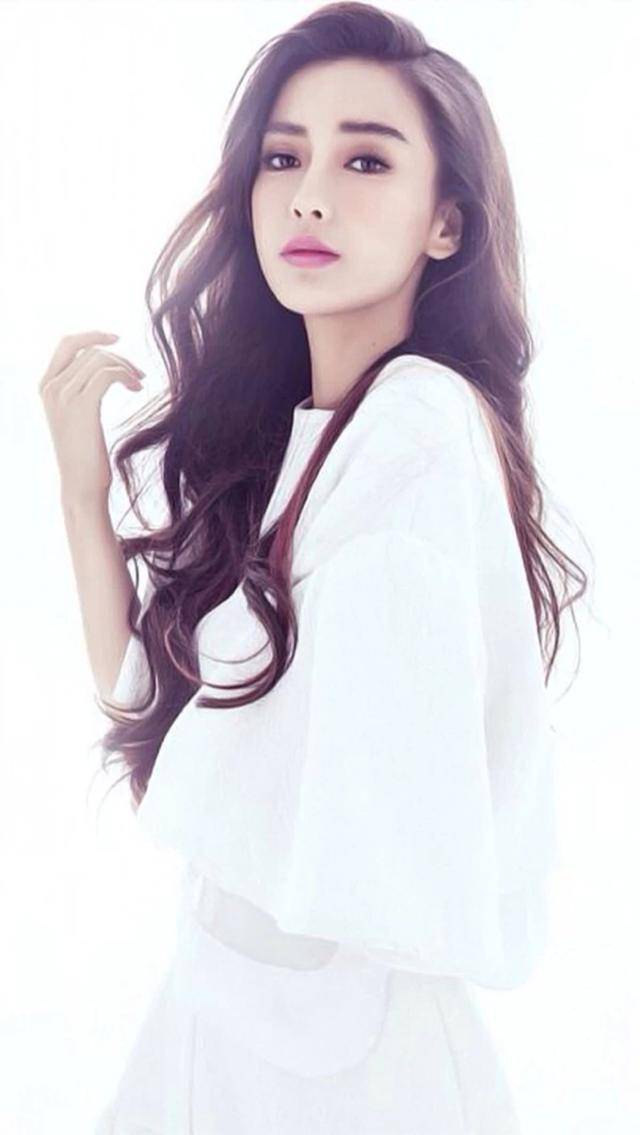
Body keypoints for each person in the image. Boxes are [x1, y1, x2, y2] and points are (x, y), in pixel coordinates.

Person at [40, 3, 587, 1131]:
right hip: (227, 1007)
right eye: (283, 158)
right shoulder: (299, 439)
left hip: (349, 1050)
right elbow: (154, 704)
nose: (309, 195)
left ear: (447, 222)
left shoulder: (420, 426)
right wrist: (81, 493)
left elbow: (357, 815)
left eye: (365, 161)